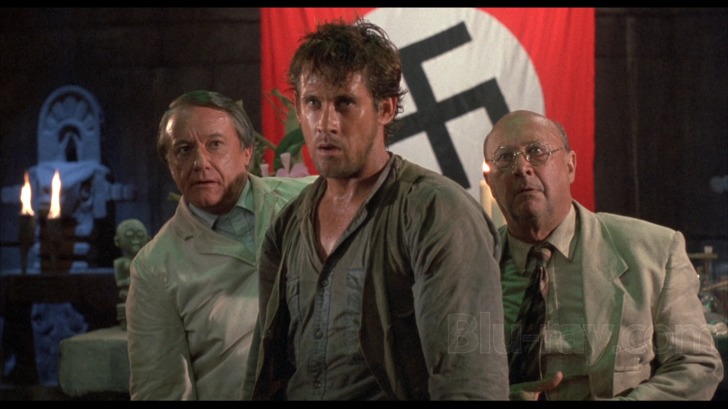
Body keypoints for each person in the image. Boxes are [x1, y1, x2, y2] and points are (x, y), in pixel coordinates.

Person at [244, 18, 508, 400]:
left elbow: (470, 380)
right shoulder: (287, 226)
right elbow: (267, 370)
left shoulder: (437, 213)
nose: (326, 124)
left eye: (345, 103)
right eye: (313, 103)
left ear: (385, 109)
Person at [482, 109, 724, 400]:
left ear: (570, 166)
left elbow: (696, 365)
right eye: (505, 157)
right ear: (490, 182)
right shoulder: (470, 265)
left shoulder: (654, 250)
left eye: (536, 151)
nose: (522, 168)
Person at [126, 90, 313, 400]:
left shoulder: (309, 200)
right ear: (170, 163)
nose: (200, 163)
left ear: (246, 152)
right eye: (184, 150)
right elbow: (161, 389)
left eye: (215, 144)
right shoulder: (155, 267)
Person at [113, 218, 149, 303]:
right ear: (117, 241)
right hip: (128, 292)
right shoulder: (120, 263)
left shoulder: (148, 261)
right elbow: (119, 282)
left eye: (140, 235)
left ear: (148, 240)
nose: (135, 240)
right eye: (129, 236)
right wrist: (129, 281)